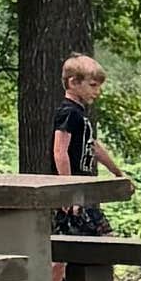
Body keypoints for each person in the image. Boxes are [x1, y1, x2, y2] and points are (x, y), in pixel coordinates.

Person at [48, 50, 111, 237]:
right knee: (99, 240)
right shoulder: (68, 112)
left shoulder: (80, 115)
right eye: (93, 85)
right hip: (72, 193)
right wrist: (69, 192)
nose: (97, 91)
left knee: (99, 239)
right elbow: (59, 151)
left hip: (82, 190)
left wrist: (118, 173)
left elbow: (93, 146)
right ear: (73, 82)